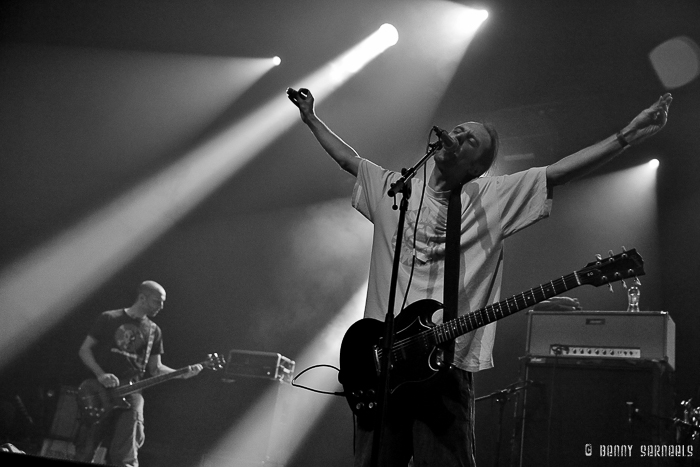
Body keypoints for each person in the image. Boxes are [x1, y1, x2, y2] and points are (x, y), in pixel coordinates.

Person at [287, 87, 672, 467]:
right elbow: (348, 160)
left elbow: (558, 174)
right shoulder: (395, 189)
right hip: (380, 364)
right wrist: (311, 118)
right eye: (458, 130)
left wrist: (625, 137)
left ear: (476, 167)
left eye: (469, 139)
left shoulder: (489, 196)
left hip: (442, 367)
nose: (457, 136)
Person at [75, 280, 202, 467]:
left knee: (126, 454)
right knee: (86, 450)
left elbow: (156, 368)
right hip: (100, 392)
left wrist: (182, 374)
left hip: (132, 393)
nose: (161, 306)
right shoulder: (109, 318)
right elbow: (84, 350)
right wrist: (101, 375)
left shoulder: (154, 331)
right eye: (157, 301)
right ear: (142, 298)